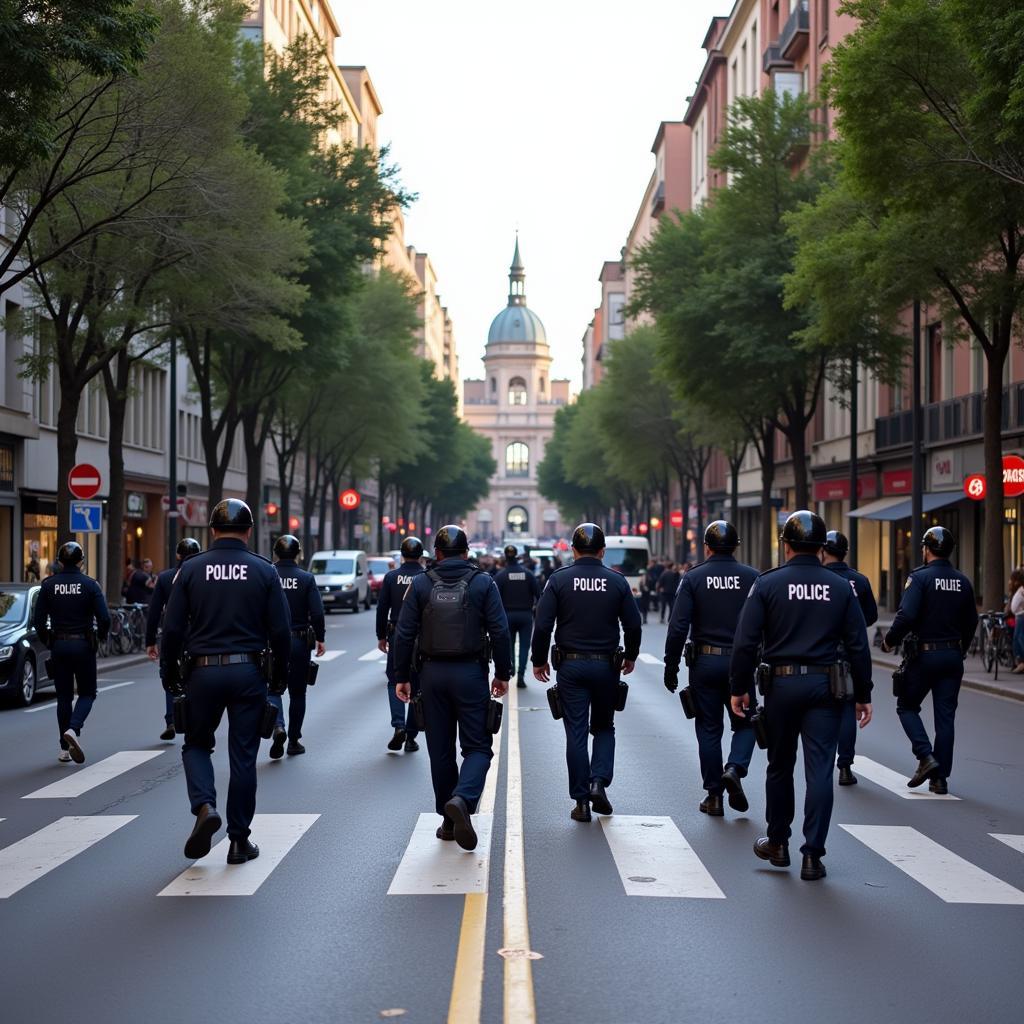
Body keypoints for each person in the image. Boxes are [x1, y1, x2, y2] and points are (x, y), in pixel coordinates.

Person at [730, 510, 872, 881]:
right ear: (822, 548)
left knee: (779, 766)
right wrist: (864, 692)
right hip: (827, 687)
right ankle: (813, 855)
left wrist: (739, 688)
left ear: (786, 544)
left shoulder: (767, 583)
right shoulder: (841, 587)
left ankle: (778, 841)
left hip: (781, 685)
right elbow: (858, 644)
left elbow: (745, 642)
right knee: (820, 771)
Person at [161, 499, 291, 865]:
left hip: (201, 671)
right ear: (248, 531)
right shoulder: (264, 571)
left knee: (197, 745)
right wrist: (279, 675)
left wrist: (169, 673)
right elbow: (280, 630)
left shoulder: (190, 569)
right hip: (249, 672)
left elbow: (171, 629)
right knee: (243, 757)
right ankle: (238, 841)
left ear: (212, 530)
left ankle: (204, 805)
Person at [392, 525, 512, 851]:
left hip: (430, 674)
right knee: (478, 747)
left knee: (440, 750)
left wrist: (401, 676)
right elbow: (500, 632)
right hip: (471, 673)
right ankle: (463, 798)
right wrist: (503, 673)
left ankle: (447, 820)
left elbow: (403, 634)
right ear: (468, 552)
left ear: (438, 553)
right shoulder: (483, 583)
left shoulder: (419, 584)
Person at [531, 523, 642, 823]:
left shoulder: (559, 580)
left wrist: (538, 659)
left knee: (576, 732)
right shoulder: (617, 582)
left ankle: (581, 801)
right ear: (603, 550)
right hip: (606, 666)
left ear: (572, 549)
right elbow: (633, 624)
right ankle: (599, 782)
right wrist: (630, 656)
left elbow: (542, 625)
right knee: (604, 727)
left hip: (571, 665)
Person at [664, 521, 759, 817]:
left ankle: (714, 796)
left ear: (706, 546)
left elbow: (679, 625)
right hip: (741, 662)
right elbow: (763, 625)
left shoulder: (693, 577)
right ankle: (735, 766)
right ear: (736, 546)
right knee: (745, 722)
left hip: (704, 662)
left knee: (708, 729)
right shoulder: (752, 578)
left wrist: (671, 663)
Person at [882, 526, 978, 794]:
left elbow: (907, 615)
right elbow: (971, 621)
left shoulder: (920, 578)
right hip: (952, 655)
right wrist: (962, 650)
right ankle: (940, 779)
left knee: (906, 706)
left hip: (924, 655)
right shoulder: (963, 581)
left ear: (926, 549)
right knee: (945, 718)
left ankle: (926, 757)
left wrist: (889, 640)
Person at [33, 541, 111, 764]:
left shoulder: (48, 585)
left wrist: (49, 640)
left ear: (58, 561)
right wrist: (100, 638)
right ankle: (74, 729)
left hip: (59, 645)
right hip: (83, 645)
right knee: (87, 693)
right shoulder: (90, 585)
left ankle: (64, 749)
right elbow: (104, 618)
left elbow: (38, 620)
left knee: (63, 697)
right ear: (81, 562)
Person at [821, 530, 878, 786]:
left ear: (823, 550)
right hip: (850, 654)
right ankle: (845, 766)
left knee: (819, 711)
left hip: (821, 653)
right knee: (847, 710)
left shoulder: (820, 578)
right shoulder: (860, 580)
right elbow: (872, 616)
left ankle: (820, 764)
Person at [269, 535, 326, 759]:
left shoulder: (267, 574)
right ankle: (293, 740)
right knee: (297, 693)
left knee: (273, 689)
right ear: (298, 553)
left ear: (275, 553)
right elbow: (318, 612)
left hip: (272, 642)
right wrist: (320, 637)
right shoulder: (306, 578)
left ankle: (278, 726)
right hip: (299, 640)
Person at [146, 537, 202, 741]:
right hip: (197, 635)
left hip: (172, 633)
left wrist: (150, 641)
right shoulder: (203, 576)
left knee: (170, 673)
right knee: (195, 674)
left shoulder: (166, 577)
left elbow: (153, 612)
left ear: (177, 555)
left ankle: (171, 718)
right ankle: (192, 716)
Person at [376, 535, 425, 753]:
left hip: (397, 633)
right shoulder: (426, 578)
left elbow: (382, 609)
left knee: (394, 679)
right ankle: (411, 735)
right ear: (421, 556)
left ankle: (399, 726)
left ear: (402, 555)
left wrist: (381, 636)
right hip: (422, 636)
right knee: (417, 684)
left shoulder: (391, 577)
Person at [493, 544, 541, 689]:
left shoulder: (500, 576)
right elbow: (539, 595)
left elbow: (494, 598)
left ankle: (511, 667)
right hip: (525, 615)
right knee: (525, 646)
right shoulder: (528, 574)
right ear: (518, 558)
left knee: (509, 644)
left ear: (505, 558)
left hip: (507, 615)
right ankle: (520, 675)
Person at [1007, 568, 1024, 673]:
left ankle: (1022, 661)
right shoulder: (1019, 590)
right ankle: (1019, 661)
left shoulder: (1021, 590)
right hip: (1018, 616)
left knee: (1018, 638)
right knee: (1017, 638)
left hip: (1021, 616)